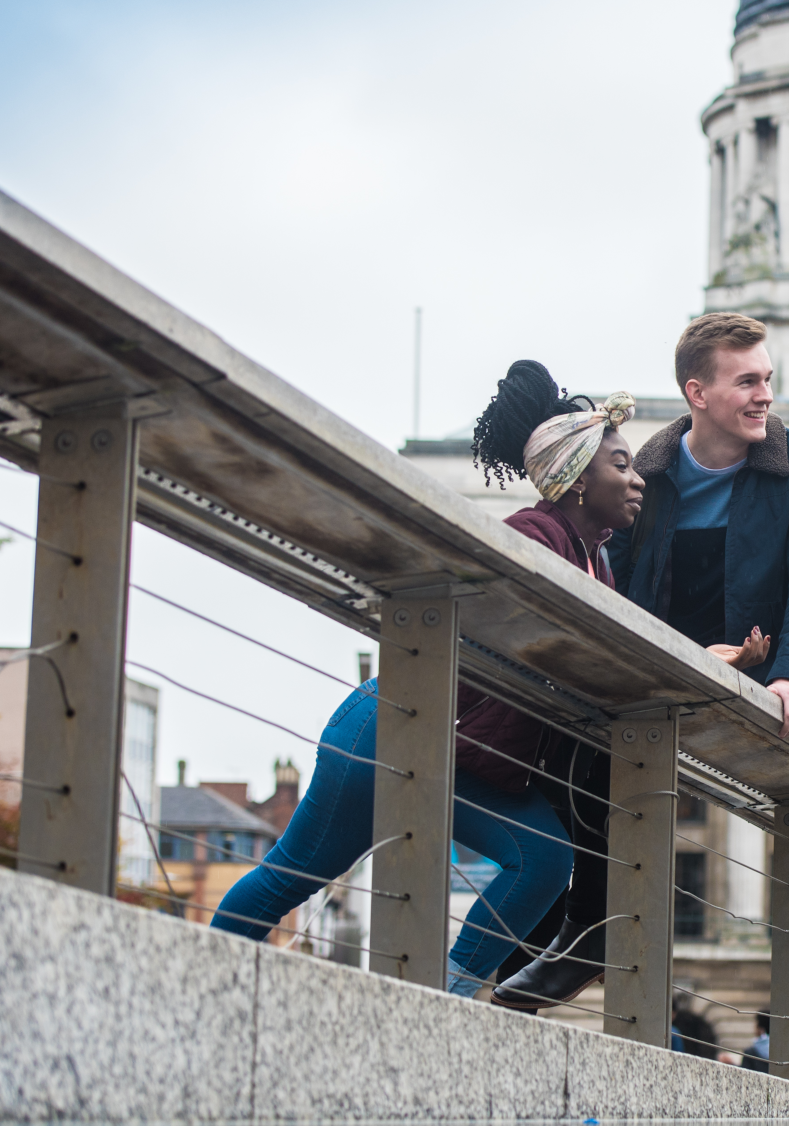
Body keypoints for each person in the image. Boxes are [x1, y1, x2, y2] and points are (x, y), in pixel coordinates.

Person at [213, 362, 644, 996]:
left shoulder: (590, 558)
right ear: (578, 479)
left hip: (456, 752)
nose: (637, 479)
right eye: (622, 464)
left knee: (544, 858)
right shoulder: (531, 536)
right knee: (295, 874)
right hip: (388, 730)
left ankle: (448, 996)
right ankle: (204, 979)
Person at [494, 312, 789, 1012]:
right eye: (746, 381)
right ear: (698, 392)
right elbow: (608, 580)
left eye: (767, 379)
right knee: (568, 753)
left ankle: (582, 933)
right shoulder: (643, 472)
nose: (763, 395)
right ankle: (563, 931)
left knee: (599, 769)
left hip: (749, 677)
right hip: (653, 665)